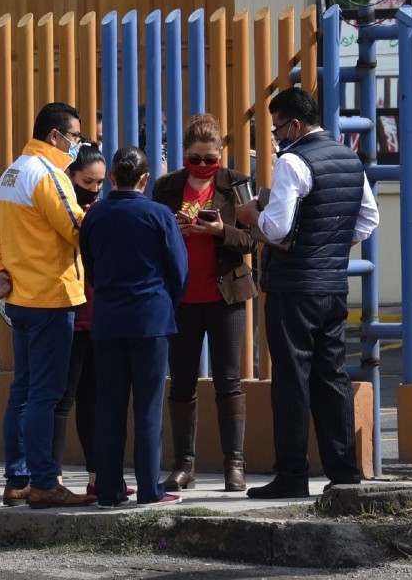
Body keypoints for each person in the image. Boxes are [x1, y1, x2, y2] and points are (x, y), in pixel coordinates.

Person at [235, 87, 378, 499]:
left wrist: (250, 215)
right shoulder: (349, 157)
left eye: (278, 129)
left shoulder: (293, 161)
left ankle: (292, 474)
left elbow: (277, 228)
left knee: (292, 381)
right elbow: (369, 218)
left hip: (293, 287)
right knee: (332, 377)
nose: (277, 138)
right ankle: (344, 472)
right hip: (332, 283)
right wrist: (328, 245)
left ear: (295, 124)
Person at [0, 102, 93, 509]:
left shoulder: (14, 171)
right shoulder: (48, 174)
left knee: (24, 391)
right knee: (44, 395)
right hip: (51, 296)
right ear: (56, 136)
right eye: (75, 137)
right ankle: (45, 483)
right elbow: (76, 227)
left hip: (20, 297)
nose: (77, 145)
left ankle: (18, 479)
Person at [152, 114, 257, 493]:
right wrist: (171, 230)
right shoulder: (166, 187)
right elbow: (151, 237)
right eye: (194, 159)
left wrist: (219, 231)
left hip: (224, 294)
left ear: (221, 155)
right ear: (183, 155)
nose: (201, 166)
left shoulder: (237, 185)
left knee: (229, 380)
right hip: (181, 297)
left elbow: (252, 239)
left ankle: (235, 464)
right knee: (181, 383)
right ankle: (185, 465)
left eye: (209, 159)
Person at [79, 146, 188, 508]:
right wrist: (162, 303)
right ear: (145, 179)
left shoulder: (94, 215)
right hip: (151, 320)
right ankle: (149, 489)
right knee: (148, 408)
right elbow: (178, 271)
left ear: (111, 177)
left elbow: (90, 267)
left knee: (109, 408)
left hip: (108, 320)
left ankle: (109, 490)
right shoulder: (159, 215)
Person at [51, 143, 107, 495]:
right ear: (71, 176)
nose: (95, 190)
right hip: (66, 312)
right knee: (62, 399)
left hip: (98, 315)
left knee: (94, 402)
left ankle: (96, 477)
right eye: (88, 181)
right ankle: (51, 477)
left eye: (101, 183)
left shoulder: (101, 211)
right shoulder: (58, 210)